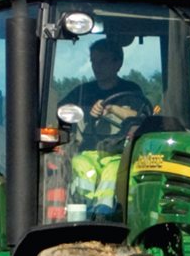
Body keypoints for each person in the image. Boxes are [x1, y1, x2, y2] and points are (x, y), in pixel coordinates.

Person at [62, 38, 150, 219]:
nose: (96, 67)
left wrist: (113, 109)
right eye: (94, 61)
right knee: (82, 166)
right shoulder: (82, 92)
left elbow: (143, 119)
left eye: (102, 61)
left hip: (118, 153)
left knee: (113, 171)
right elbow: (61, 112)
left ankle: (105, 213)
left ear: (118, 63)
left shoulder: (132, 91)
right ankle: (81, 212)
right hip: (89, 152)